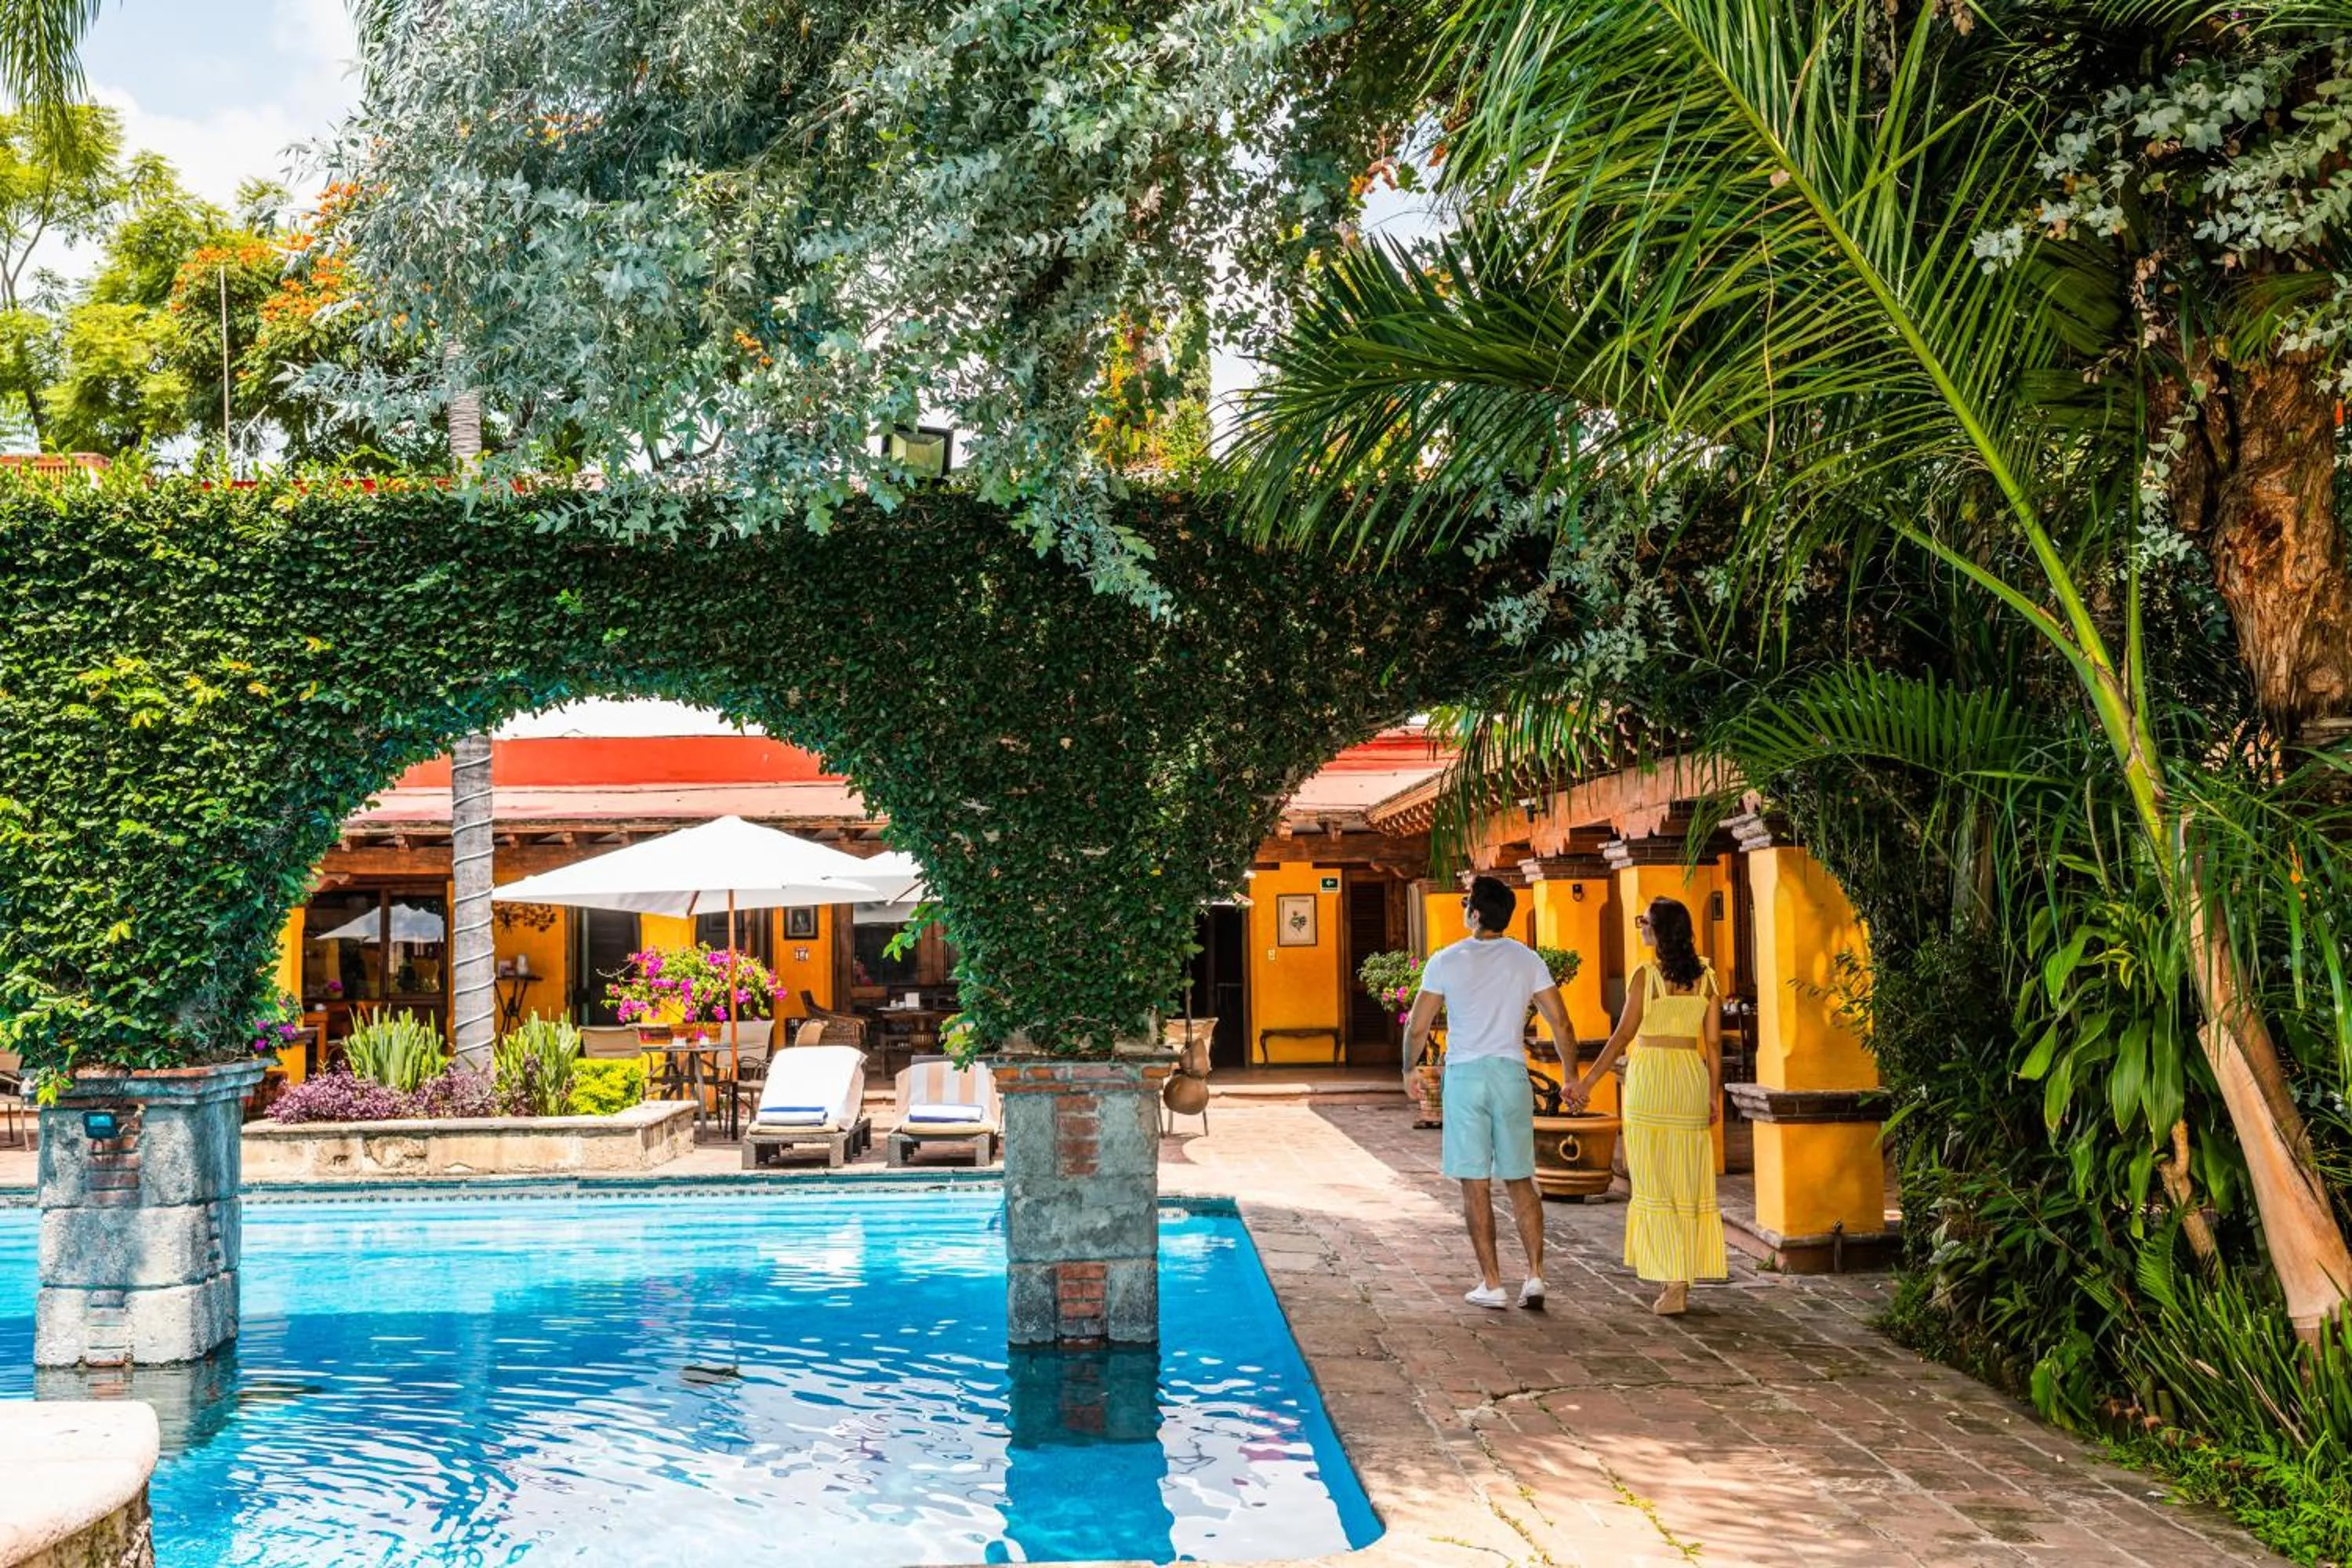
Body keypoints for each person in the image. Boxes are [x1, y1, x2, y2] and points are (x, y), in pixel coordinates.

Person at [1405, 875, 1575, 1311]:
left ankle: (1492, 1283)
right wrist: (1571, 1075)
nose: (1464, 907)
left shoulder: (1446, 960)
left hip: (1465, 1076)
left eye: (1466, 902)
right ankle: (1535, 1277)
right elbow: (1561, 1022)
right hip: (1510, 1074)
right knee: (1521, 1179)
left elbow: (1418, 1025)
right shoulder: (1527, 959)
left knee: (1475, 1183)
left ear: (1476, 914)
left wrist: (1408, 1068)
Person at [1564, 895, 1726, 1315]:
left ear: (1659, 930)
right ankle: (1681, 1279)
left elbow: (1621, 1038)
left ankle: (1673, 1282)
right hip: (1689, 1077)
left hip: (1651, 1079)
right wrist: (1712, 1094)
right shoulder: (1707, 977)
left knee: (1654, 1181)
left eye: (1644, 921)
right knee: (1686, 1179)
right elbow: (1711, 1044)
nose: (1640, 927)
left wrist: (1587, 1083)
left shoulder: (1645, 977)